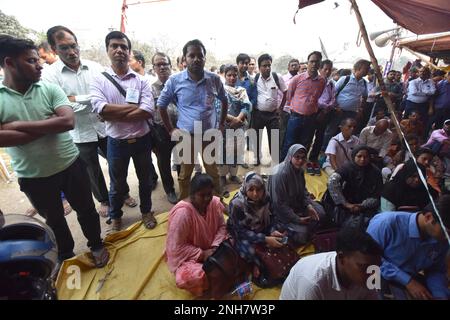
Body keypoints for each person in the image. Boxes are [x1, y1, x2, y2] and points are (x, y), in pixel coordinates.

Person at [0, 35, 109, 266]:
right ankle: (66, 255)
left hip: (70, 165)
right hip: (34, 176)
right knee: (55, 220)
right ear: (9, 63)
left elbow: (68, 122)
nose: (40, 65)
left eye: (38, 60)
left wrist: (17, 126)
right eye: (31, 61)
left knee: (87, 210)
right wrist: (49, 124)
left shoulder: (49, 89)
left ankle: (96, 244)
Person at [42, 25, 136, 217]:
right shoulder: (50, 75)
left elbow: (106, 98)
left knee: (116, 164)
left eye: (73, 46)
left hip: (105, 126)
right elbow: (58, 107)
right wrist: (93, 101)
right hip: (79, 131)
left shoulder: (95, 67)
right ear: (54, 50)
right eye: (64, 48)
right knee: (92, 170)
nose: (71, 51)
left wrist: (74, 99)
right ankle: (104, 200)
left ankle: (123, 193)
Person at [91, 31, 156, 232]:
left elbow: (147, 110)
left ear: (129, 52)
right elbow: (99, 108)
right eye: (114, 46)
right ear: (107, 50)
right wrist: (132, 109)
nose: (119, 50)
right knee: (117, 184)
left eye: (124, 47)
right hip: (116, 142)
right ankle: (116, 216)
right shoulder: (99, 79)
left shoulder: (141, 80)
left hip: (142, 140)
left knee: (145, 180)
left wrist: (112, 113)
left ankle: (146, 211)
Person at [157, 39, 228, 200]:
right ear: (184, 59)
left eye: (200, 56)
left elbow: (224, 100)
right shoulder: (175, 81)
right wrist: (170, 129)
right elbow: (161, 105)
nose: (196, 59)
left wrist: (222, 124)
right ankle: (184, 205)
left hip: (208, 135)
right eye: (191, 55)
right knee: (185, 174)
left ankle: (216, 202)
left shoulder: (214, 79)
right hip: (185, 136)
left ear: (204, 59)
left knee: (213, 171)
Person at [367, 196, 450, 300]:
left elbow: (436, 270)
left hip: (409, 279)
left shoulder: (442, 239)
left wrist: (439, 294)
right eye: (448, 232)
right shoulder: (386, 223)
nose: (448, 238)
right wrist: (407, 281)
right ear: (429, 217)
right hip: (376, 276)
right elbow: (369, 260)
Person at [166, 174, 227, 297]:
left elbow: (222, 227)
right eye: (202, 195)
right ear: (192, 195)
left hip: (214, 247)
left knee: (238, 245)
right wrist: (202, 254)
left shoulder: (214, 203)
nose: (207, 198)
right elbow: (175, 248)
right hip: (190, 257)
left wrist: (215, 247)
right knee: (189, 277)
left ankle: (216, 278)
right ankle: (213, 282)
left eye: (209, 194)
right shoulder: (182, 214)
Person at [280, 227, 382, 300]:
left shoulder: (370, 271)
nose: (373, 274)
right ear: (342, 258)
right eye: (364, 267)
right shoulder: (313, 282)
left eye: (377, 267)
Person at [227, 172, 289, 287]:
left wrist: (272, 231)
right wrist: (265, 239)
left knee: (282, 232)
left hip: (261, 227)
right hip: (243, 233)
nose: (255, 194)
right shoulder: (237, 204)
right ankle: (257, 265)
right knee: (250, 251)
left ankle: (267, 262)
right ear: (245, 188)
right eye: (251, 189)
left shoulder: (266, 197)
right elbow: (240, 231)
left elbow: (272, 216)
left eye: (259, 189)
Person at [268, 144, 325, 245]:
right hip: (281, 212)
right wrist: (297, 219)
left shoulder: (299, 170)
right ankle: (285, 229)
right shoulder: (281, 174)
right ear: (290, 156)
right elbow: (279, 204)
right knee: (302, 234)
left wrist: (309, 205)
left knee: (320, 213)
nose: (300, 161)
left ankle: (299, 225)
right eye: (297, 157)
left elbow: (303, 191)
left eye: (303, 158)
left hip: (296, 203)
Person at [281, 51, 326, 161]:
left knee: (304, 144)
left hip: (311, 118)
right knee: (289, 143)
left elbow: (318, 96)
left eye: (317, 62)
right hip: (295, 117)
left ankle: (297, 167)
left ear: (320, 64)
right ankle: (283, 166)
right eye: (312, 61)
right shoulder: (297, 79)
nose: (314, 64)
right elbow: (289, 96)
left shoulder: (322, 81)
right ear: (307, 63)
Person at [325, 145, 383, 228]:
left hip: (365, 205)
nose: (362, 160)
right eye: (359, 156)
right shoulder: (346, 168)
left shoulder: (375, 172)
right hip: (344, 203)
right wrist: (346, 204)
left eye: (365, 157)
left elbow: (377, 193)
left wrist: (362, 205)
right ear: (354, 156)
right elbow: (332, 182)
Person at [322, 59, 370, 148]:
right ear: (358, 68)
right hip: (338, 111)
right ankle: (324, 150)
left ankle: (338, 150)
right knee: (331, 131)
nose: (367, 71)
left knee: (345, 133)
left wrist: (360, 109)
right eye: (366, 68)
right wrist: (336, 107)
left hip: (352, 113)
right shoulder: (345, 79)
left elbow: (365, 96)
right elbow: (333, 93)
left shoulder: (364, 83)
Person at [150, 52, 178, 204]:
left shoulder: (179, 84)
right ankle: (170, 189)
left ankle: (184, 185)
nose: (162, 67)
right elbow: (148, 114)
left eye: (165, 64)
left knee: (182, 159)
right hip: (161, 131)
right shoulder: (150, 89)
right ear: (153, 68)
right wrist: (152, 139)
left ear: (170, 66)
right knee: (164, 162)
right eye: (158, 65)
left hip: (181, 128)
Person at [251, 53, 287, 165]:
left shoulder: (277, 77)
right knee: (257, 138)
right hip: (258, 114)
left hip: (273, 116)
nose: (267, 68)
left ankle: (275, 161)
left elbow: (285, 92)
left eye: (269, 65)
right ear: (259, 67)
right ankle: (257, 158)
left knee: (274, 139)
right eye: (264, 65)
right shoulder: (255, 78)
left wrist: (280, 108)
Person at [219, 64, 251, 187]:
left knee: (236, 151)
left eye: (234, 75)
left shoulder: (242, 91)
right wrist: (232, 119)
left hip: (239, 126)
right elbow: (218, 108)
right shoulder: (220, 90)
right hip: (224, 126)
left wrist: (238, 119)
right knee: (223, 151)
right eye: (229, 75)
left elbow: (247, 106)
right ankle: (222, 175)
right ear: (224, 76)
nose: (232, 78)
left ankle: (233, 175)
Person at [308, 59, 336, 173]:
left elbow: (333, 99)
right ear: (320, 69)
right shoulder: (315, 82)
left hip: (326, 113)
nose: (327, 72)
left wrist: (326, 109)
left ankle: (313, 158)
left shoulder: (331, 83)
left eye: (329, 69)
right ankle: (302, 158)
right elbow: (313, 98)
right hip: (314, 111)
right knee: (308, 136)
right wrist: (324, 107)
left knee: (320, 136)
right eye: (325, 69)